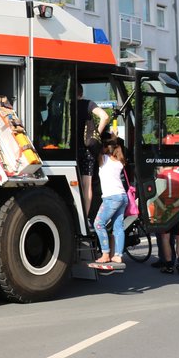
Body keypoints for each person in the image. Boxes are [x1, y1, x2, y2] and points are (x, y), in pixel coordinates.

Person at [93, 138, 128, 266]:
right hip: (122, 196)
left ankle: (105, 253)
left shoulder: (104, 159)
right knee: (118, 227)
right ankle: (118, 255)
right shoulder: (119, 162)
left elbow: (94, 147)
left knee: (98, 223)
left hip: (112, 197)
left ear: (106, 148)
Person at [77, 87, 110, 217]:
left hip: (72, 149)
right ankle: (84, 217)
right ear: (81, 93)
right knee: (87, 185)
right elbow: (105, 116)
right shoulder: (88, 104)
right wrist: (96, 134)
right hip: (87, 150)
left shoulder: (67, 105)